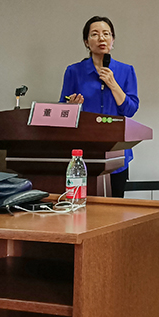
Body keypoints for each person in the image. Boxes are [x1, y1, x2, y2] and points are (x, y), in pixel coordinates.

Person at [60, 16, 139, 198]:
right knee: (83, 203)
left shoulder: (126, 71)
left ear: (113, 39)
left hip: (116, 150)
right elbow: (62, 110)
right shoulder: (74, 71)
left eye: (106, 34)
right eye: (95, 34)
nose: (101, 38)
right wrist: (71, 107)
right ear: (86, 42)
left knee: (115, 207)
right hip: (84, 150)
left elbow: (130, 110)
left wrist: (113, 84)